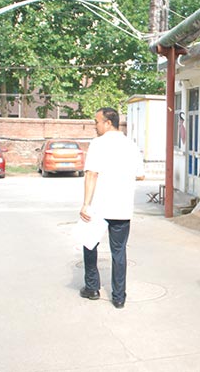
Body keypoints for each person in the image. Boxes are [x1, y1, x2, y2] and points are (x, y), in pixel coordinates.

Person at [79, 107, 145, 308]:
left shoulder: (98, 144)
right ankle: (118, 297)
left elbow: (91, 174)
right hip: (122, 207)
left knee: (90, 244)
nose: (95, 126)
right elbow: (140, 175)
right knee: (119, 252)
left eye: (97, 122)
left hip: (100, 206)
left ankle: (92, 288)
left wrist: (86, 204)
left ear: (108, 123)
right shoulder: (131, 145)